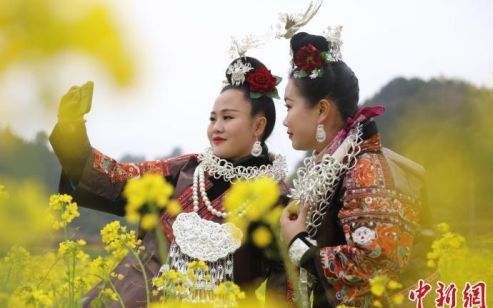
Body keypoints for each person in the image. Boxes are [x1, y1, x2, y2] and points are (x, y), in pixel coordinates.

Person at [50, 56, 289, 307]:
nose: (216, 128)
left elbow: (284, 285)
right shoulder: (187, 170)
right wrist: (71, 129)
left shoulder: (276, 198)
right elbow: (116, 178)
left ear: (258, 125)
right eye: (212, 118)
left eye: (228, 118)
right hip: (126, 296)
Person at [279, 31, 426, 307]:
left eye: (289, 106)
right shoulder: (333, 165)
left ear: (322, 110)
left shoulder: (365, 167)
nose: (285, 121)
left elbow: (377, 262)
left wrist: (299, 244)